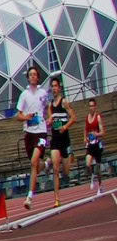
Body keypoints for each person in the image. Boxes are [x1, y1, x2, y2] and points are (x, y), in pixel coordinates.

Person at [16, 63, 50, 209]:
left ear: (38, 77)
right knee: (36, 164)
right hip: (29, 133)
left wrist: (49, 118)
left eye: (35, 75)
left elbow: (48, 108)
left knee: (34, 161)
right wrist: (26, 117)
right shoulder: (24, 95)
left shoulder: (43, 93)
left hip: (41, 132)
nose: (33, 77)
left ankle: (29, 197)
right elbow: (18, 115)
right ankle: (47, 164)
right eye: (30, 75)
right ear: (28, 78)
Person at [45, 75, 74, 207]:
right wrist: (49, 122)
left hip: (65, 140)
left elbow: (73, 117)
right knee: (56, 170)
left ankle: (66, 157)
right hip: (55, 139)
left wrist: (65, 126)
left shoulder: (64, 102)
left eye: (56, 86)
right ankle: (57, 199)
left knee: (66, 173)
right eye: (52, 87)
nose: (54, 89)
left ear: (59, 87)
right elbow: (50, 120)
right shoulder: (50, 105)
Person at [85, 100, 104, 195]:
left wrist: (96, 134)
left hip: (97, 144)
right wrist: (85, 138)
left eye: (92, 106)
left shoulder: (98, 117)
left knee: (98, 167)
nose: (91, 108)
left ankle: (100, 187)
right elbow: (85, 129)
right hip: (90, 145)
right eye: (90, 106)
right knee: (88, 164)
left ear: (95, 107)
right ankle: (92, 176)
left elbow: (103, 132)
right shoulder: (87, 118)